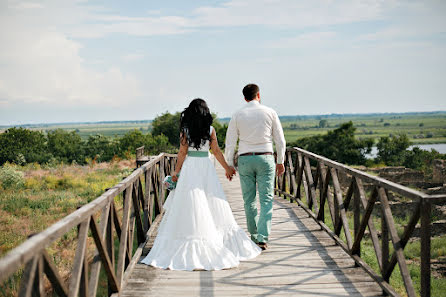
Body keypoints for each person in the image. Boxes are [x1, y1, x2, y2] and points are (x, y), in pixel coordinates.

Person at [140, 98, 261, 271]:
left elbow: (182, 152)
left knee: (191, 201)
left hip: (191, 167)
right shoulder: (210, 130)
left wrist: (176, 171)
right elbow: (216, 151)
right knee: (212, 199)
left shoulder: (185, 131)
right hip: (206, 167)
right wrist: (227, 168)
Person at [225, 84, 286, 251]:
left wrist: (229, 165)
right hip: (265, 157)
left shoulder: (237, 114)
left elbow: (230, 143)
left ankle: (253, 235)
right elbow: (280, 141)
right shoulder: (270, 112)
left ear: (244, 98)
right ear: (258, 95)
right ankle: (262, 237)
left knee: (248, 199)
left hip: (244, 159)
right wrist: (280, 161)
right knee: (266, 199)